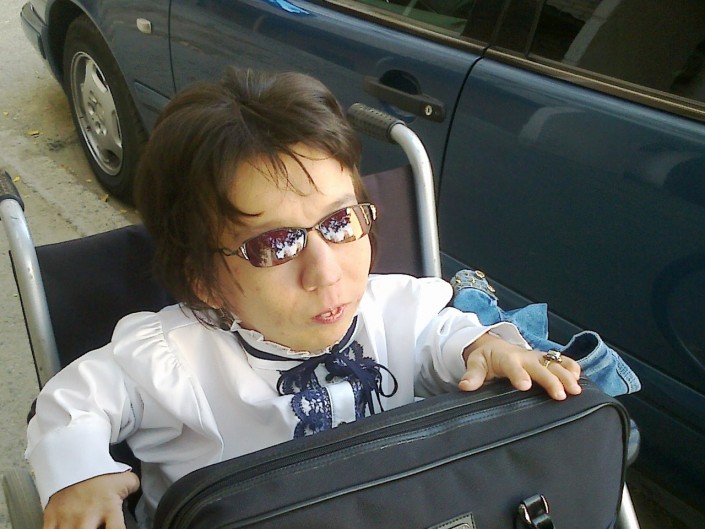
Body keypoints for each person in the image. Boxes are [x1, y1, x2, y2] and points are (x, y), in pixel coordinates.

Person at [26, 67, 582, 529]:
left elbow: (443, 337)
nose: (325, 272)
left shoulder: (394, 307)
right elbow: (71, 402)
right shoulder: (172, 360)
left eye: (339, 222)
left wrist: (484, 347)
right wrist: (80, 474)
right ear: (203, 280)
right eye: (275, 244)